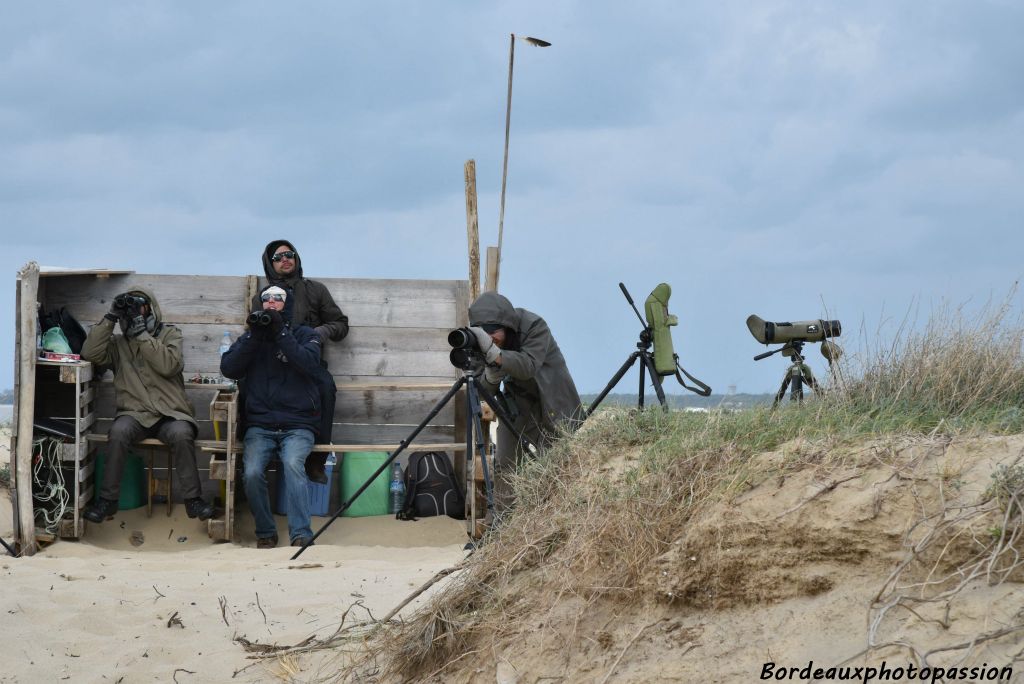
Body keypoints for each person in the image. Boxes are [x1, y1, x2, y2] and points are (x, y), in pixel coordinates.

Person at [81, 288, 214, 524]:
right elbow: (89, 353)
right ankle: (107, 501)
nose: (133, 311)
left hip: (171, 413)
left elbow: (169, 366)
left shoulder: (170, 334)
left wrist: (142, 335)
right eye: (128, 307)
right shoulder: (118, 344)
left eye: (138, 305)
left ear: (150, 308)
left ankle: (194, 500)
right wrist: (111, 316)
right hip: (134, 413)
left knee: (182, 434)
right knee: (118, 432)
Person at [221, 285, 324, 549]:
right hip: (261, 424)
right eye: (266, 298)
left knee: (292, 465)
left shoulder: (305, 334)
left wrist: (280, 331)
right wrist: (255, 336)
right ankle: (266, 532)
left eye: (278, 298)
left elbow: (309, 364)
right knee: (252, 472)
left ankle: (301, 533)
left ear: (287, 304)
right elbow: (228, 368)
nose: (271, 302)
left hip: (298, 423)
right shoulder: (252, 338)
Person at [466, 292, 583, 515]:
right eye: (484, 334)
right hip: (517, 406)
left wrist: (494, 355)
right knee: (505, 464)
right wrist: (490, 376)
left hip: (553, 401)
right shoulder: (480, 344)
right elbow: (480, 391)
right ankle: (501, 528)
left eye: (494, 333)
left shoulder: (533, 326)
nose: (490, 339)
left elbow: (528, 365)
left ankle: (555, 522)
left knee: (556, 469)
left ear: (508, 326)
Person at [253, 240, 348, 483]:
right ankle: (253, 463)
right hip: (273, 367)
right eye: (278, 257)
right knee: (247, 388)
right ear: (269, 264)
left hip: (309, 364)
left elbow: (340, 324)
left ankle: (316, 461)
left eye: (289, 254)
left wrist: (320, 332)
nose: (285, 259)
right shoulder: (264, 296)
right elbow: (253, 329)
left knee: (326, 388)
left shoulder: (316, 290)